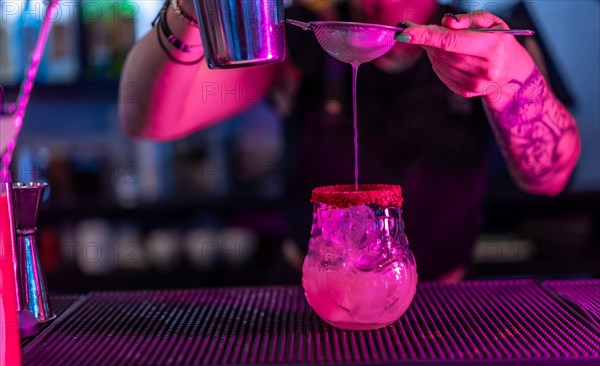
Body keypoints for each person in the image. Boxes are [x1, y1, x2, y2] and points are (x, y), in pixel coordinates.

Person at [119, 0, 580, 281]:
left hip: (445, 308)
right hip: (309, 304)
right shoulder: (297, 38)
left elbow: (551, 177)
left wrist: (509, 82)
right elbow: (150, 121)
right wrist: (188, 10)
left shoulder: (485, 37)